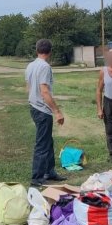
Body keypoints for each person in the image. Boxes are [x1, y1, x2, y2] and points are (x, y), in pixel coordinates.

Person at [25, 39, 67, 187]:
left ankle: (50, 172)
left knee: (48, 141)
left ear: (37, 50)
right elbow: (44, 91)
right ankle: (37, 177)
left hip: (34, 107)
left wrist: (33, 101)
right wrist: (57, 112)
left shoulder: (30, 65)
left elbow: (28, 87)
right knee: (42, 144)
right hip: (42, 110)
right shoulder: (45, 67)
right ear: (50, 52)